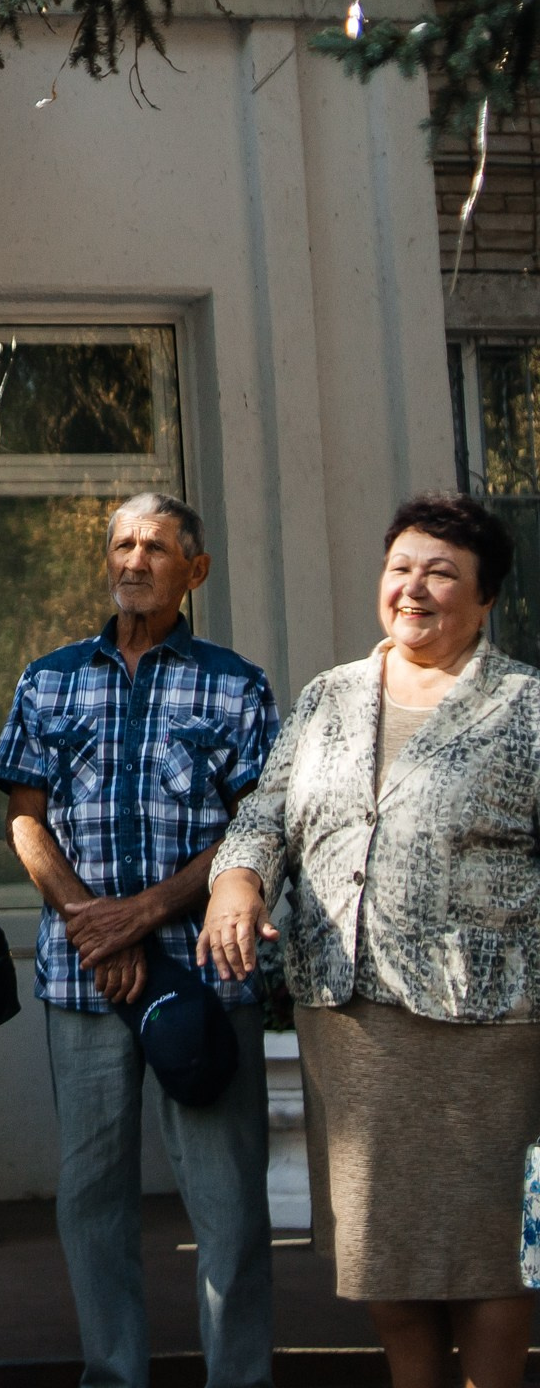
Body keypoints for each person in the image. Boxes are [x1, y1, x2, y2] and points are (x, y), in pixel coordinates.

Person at [201, 493, 540, 1388]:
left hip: (491, 1029)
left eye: (440, 573)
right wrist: (236, 882)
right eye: (401, 568)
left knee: (490, 1247)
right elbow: (265, 814)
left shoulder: (526, 707)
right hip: (351, 1019)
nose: (413, 588)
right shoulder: (331, 695)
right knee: (384, 1247)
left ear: (485, 598)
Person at [0, 493, 279, 1388]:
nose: (135, 560)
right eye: (121, 544)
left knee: (226, 1205)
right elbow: (25, 821)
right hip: (84, 982)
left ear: (195, 569)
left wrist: (143, 914)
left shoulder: (236, 684)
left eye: (156, 546)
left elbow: (257, 826)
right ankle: (113, 1375)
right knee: (90, 1199)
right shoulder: (51, 678)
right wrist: (89, 921)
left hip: (202, 973)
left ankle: (240, 1378)